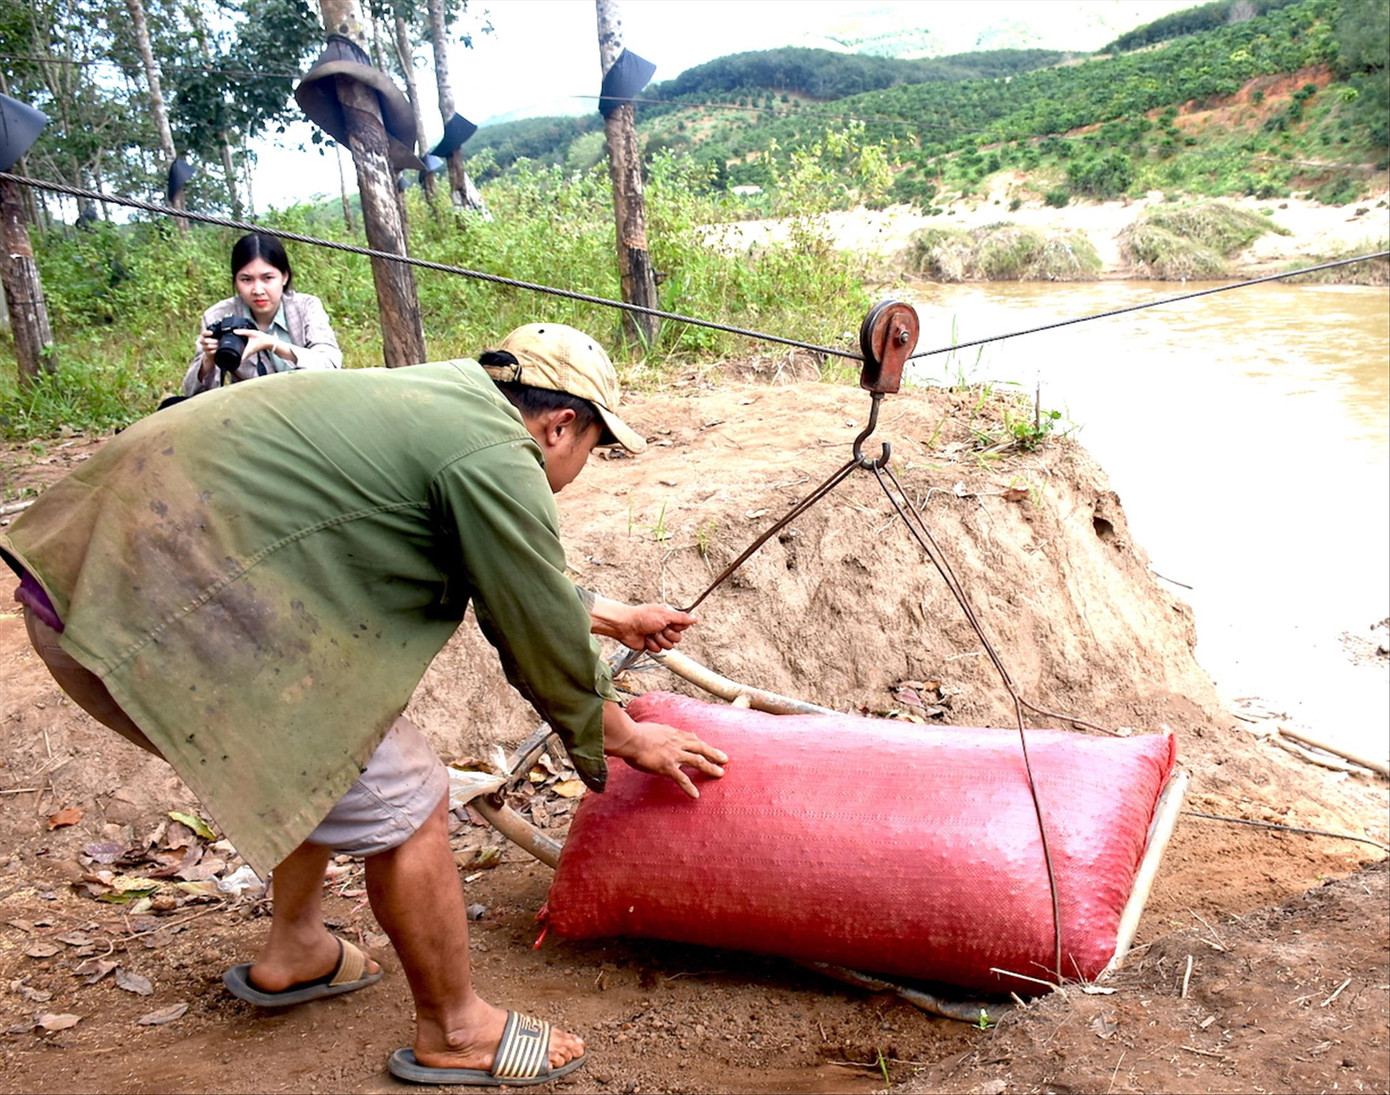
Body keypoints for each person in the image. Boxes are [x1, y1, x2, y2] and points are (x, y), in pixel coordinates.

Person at [2, 323, 727, 1087]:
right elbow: (536, 629)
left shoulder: (447, 403)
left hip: (85, 580)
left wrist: (613, 616)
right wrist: (623, 735)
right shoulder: (495, 452)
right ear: (561, 425)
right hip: (145, 610)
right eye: (596, 447)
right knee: (410, 795)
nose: (584, 464)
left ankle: (296, 947)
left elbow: (515, 572)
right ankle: (456, 1028)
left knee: (327, 742)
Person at [182, 232, 342, 395]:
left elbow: (331, 364)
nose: (257, 290)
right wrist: (208, 361)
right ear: (235, 281)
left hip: (308, 397)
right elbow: (192, 394)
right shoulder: (218, 316)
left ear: (284, 277)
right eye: (246, 279)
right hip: (251, 404)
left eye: (267, 278)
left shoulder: (306, 307)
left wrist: (273, 345)